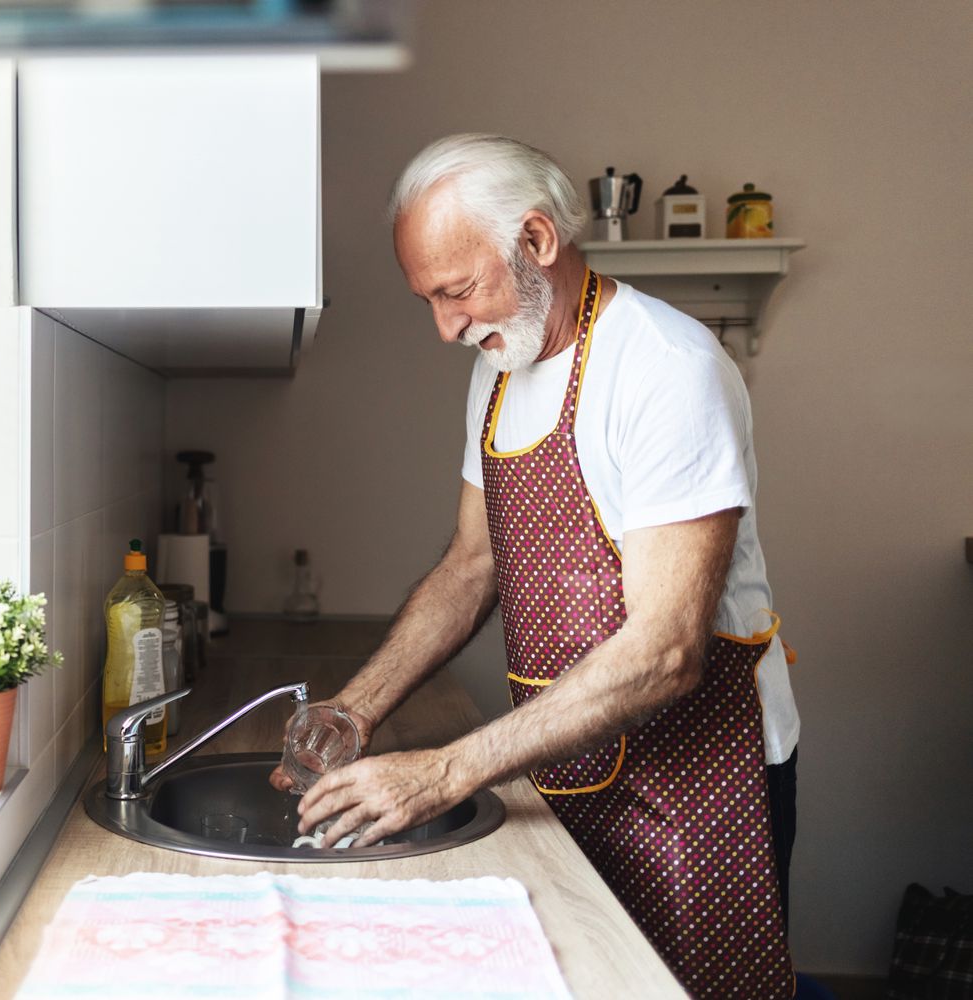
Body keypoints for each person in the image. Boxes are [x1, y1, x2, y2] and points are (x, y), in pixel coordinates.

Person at [273, 134, 800, 998]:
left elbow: (666, 649)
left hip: (700, 786)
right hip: (558, 760)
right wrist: (353, 712)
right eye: (430, 300)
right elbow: (472, 567)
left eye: (456, 291)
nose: (446, 327)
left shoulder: (666, 370)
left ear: (537, 241)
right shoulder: (500, 366)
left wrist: (444, 770)